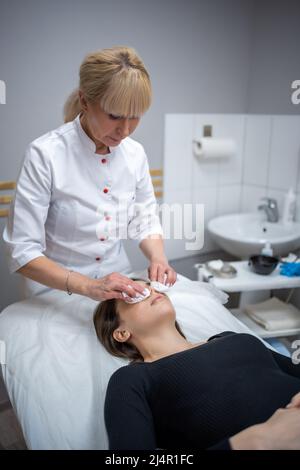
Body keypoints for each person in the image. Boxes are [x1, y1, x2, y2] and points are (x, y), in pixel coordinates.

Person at [3, 46, 176, 301]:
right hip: (54, 292)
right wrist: (89, 286)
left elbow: (145, 219)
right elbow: (22, 251)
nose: (125, 130)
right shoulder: (45, 154)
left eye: (135, 117)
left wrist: (159, 258)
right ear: (85, 101)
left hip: (118, 282)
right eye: (115, 116)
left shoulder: (135, 154)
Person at [93, 280, 300, 450]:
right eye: (133, 294)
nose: (150, 290)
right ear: (121, 333)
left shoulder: (230, 337)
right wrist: (256, 441)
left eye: (150, 286)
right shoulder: (132, 379)